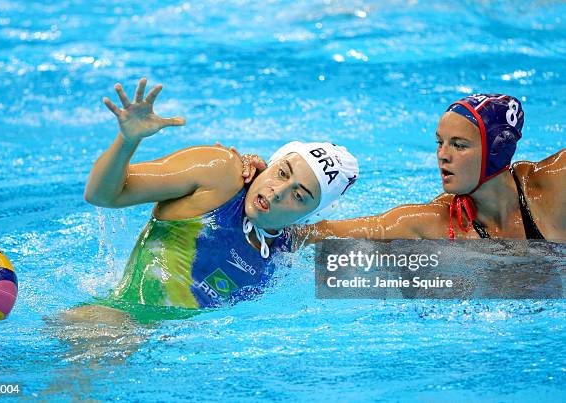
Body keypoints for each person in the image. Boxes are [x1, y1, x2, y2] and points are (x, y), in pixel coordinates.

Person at [75, 78, 359, 317]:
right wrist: (127, 141)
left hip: (170, 357)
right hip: (111, 322)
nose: (278, 191)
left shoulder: (286, 249)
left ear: (312, 212)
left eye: (299, 195)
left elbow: (392, 229)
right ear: (271, 163)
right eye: (282, 173)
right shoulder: (220, 175)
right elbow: (101, 195)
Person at [291, 94, 564, 242]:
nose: (442, 156)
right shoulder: (442, 221)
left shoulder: (552, 185)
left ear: (496, 150)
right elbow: (367, 229)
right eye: (440, 143)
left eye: (458, 145)